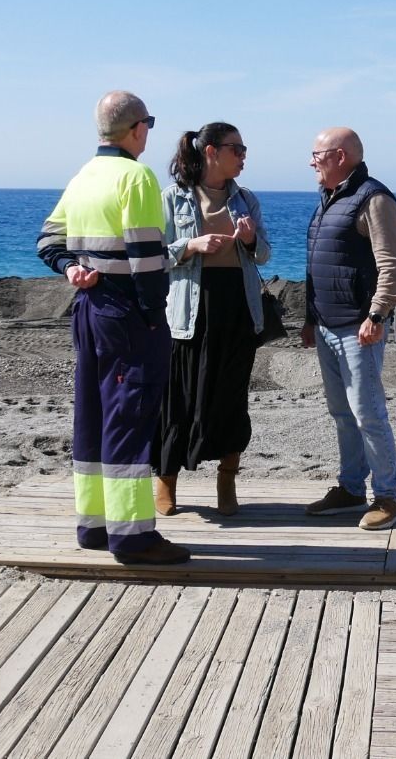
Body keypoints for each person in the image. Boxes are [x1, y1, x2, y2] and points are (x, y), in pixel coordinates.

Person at [36, 90, 189, 565]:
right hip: (126, 311)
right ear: (135, 129)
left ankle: (95, 524)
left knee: (95, 414)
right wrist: (153, 315)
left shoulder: (83, 176)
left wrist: (70, 268)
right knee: (130, 414)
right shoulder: (136, 177)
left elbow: (46, 240)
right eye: (148, 124)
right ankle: (133, 537)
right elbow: (145, 258)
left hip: (88, 307)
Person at [155, 122, 271, 517]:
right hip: (190, 308)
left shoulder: (246, 198)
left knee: (232, 398)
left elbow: (265, 255)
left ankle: (226, 480)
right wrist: (191, 245)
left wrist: (251, 239)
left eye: (243, 149)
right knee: (181, 397)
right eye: (237, 149)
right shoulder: (174, 198)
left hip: (237, 306)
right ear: (211, 152)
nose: (243, 156)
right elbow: (156, 254)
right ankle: (166, 480)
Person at [301, 126, 396, 530]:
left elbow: (394, 263)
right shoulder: (329, 198)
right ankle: (350, 489)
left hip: (358, 327)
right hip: (327, 326)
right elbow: (319, 260)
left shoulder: (373, 198)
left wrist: (378, 314)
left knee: (368, 413)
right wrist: (311, 318)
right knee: (341, 412)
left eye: (317, 154)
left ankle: (387, 497)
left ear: (340, 156)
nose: (312, 161)